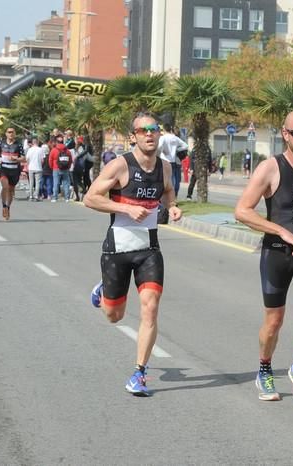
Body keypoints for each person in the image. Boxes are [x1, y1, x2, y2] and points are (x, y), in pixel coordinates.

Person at [234, 110, 293, 404]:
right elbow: (242, 211)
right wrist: (281, 231)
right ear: (285, 134)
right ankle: (264, 367)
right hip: (277, 254)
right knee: (274, 322)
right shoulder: (270, 168)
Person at [84, 113, 182, 396]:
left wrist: (173, 205)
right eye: (144, 130)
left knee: (150, 307)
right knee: (114, 315)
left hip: (149, 250)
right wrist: (127, 209)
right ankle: (104, 290)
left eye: (154, 130)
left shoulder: (164, 167)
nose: (150, 134)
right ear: (134, 136)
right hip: (118, 249)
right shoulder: (120, 166)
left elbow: (168, 191)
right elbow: (90, 198)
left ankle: (139, 373)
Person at [0, 127, 26, 220]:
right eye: (9, 132)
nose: (11, 134)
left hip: (15, 170)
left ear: (15, 134)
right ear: (6, 133)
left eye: (12, 132)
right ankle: (4, 206)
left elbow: (24, 158)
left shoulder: (18, 145)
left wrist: (16, 159)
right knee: (5, 187)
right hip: (4, 168)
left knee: (11, 190)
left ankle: (8, 207)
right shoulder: (1, 142)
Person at [158, 124, 189, 196]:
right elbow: (186, 146)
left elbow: (159, 147)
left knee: (165, 180)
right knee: (175, 180)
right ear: (171, 129)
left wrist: (161, 152)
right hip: (173, 161)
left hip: (165, 161)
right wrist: (177, 150)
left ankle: (167, 197)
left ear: (164, 130)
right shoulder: (175, 138)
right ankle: (174, 196)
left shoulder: (163, 138)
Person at [49, 134, 73, 202]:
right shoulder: (67, 150)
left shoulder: (54, 150)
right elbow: (70, 160)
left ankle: (55, 197)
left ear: (56, 142)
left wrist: (52, 167)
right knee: (66, 183)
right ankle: (67, 198)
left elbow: (50, 160)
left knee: (56, 183)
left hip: (56, 168)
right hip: (65, 168)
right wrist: (68, 167)